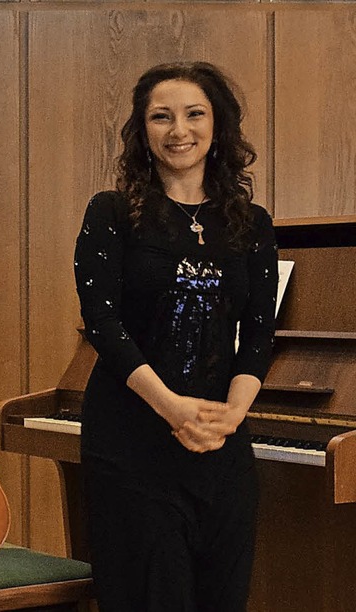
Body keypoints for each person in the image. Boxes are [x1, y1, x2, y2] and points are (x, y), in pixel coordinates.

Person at [74, 62, 278, 611]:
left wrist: (233, 414)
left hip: (219, 442)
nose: (178, 130)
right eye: (160, 117)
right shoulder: (111, 212)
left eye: (194, 114)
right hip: (133, 440)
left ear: (218, 128)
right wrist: (170, 408)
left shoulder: (252, 223)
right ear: (143, 131)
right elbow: (103, 324)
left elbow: (260, 331)